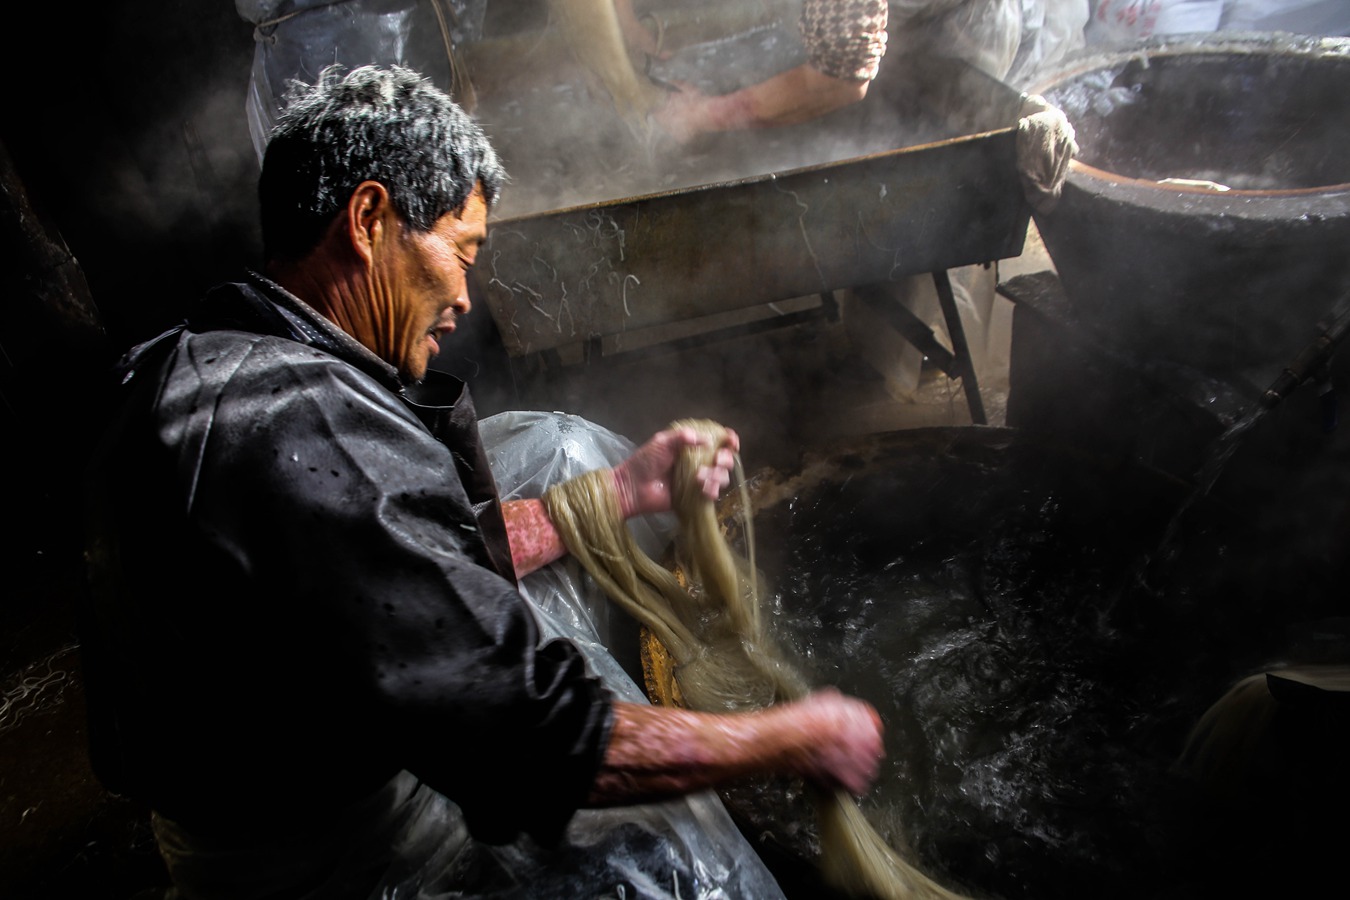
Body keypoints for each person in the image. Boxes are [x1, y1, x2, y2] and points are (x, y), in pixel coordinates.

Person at [78, 64, 884, 899]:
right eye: (459, 252)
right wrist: (791, 739)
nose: (465, 295)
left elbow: (404, 558)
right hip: (322, 846)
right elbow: (533, 742)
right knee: (692, 869)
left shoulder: (209, 352)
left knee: (552, 446)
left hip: (264, 743)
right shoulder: (307, 436)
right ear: (368, 219)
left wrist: (621, 492)